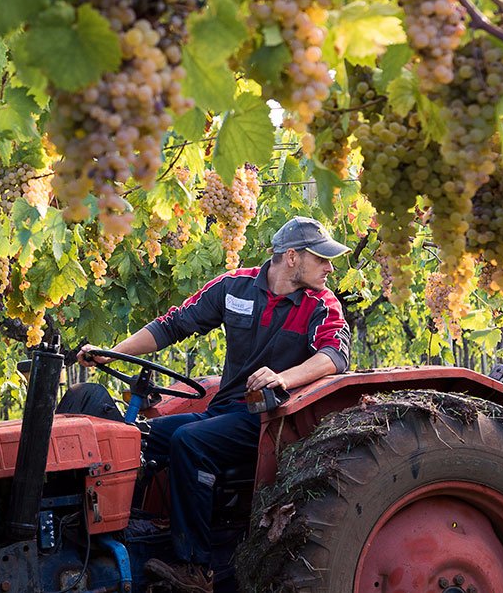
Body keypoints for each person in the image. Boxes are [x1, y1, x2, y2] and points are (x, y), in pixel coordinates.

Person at [78, 216, 352, 593]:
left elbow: (335, 355)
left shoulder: (320, 304)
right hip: (225, 409)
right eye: (321, 258)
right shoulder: (234, 287)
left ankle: (195, 566)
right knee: (137, 438)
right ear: (291, 257)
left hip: (268, 418)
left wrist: (282, 378)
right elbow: (173, 324)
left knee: (190, 441)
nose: (329, 266)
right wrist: (113, 353)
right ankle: (126, 532)